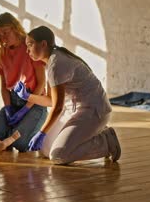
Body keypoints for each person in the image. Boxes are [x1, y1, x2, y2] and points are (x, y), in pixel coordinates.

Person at [22, 25, 121, 164]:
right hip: (75, 111)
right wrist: (27, 96)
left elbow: (57, 107)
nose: (27, 50)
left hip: (94, 111)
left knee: (59, 155)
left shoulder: (57, 64)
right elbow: (51, 101)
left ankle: (106, 142)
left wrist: (41, 132)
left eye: (30, 45)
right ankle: (90, 133)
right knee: (45, 149)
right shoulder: (50, 63)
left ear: (43, 44)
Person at [0, 12, 47, 151]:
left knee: (20, 144)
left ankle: (34, 128)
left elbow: (41, 82)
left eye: (5, 33)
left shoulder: (30, 47)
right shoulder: (2, 53)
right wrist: (7, 108)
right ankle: (14, 131)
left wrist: (26, 109)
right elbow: (4, 87)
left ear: (15, 28)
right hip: (13, 102)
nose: (3, 39)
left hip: (35, 103)